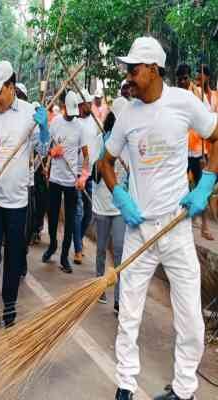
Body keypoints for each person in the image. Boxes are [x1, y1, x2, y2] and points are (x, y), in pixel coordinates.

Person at [101, 37, 218, 400]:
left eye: (134, 70)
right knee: (129, 315)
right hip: (139, 230)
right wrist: (121, 195)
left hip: (176, 227)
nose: (129, 77)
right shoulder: (127, 116)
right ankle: (125, 384)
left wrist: (207, 183)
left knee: (190, 320)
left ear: (153, 70)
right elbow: (103, 162)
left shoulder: (183, 103)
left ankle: (183, 390)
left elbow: (216, 137)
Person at [0, 61, 49, 339]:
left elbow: (42, 149)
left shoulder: (30, 113)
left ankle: (9, 306)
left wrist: (43, 130)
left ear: (10, 87)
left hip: (18, 202)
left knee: (14, 258)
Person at [43, 90, 89, 274]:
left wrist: (83, 176)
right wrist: (52, 152)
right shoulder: (55, 123)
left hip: (71, 181)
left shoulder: (80, 128)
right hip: (55, 178)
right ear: (63, 108)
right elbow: (46, 145)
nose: (71, 115)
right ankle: (52, 244)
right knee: (53, 217)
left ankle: (64, 256)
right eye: (68, 111)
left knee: (70, 221)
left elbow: (86, 156)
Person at [92, 109, 126, 312]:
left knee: (120, 251)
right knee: (101, 249)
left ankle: (119, 298)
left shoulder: (128, 142)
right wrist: (103, 156)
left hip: (121, 206)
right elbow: (95, 174)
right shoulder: (99, 140)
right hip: (102, 205)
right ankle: (99, 287)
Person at [177, 63, 214, 241]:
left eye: (185, 78)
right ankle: (181, 223)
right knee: (180, 187)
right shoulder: (175, 96)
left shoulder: (197, 94)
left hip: (198, 150)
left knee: (201, 189)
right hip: (181, 151)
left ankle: (205, 225)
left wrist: (206, 152)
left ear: (189, 77)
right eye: (180, 79)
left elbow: (207, 118)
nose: (183, 82)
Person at [73, 89, 97, 264]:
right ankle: (78, 249)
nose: (89, 105)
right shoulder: (74, 123)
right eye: (85, 103)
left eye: (89, 102)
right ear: (80, 105)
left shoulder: (96, 122)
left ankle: (79, 238)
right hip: (75, 172)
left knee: (89, 212)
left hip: (91, 172)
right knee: (78, 211)